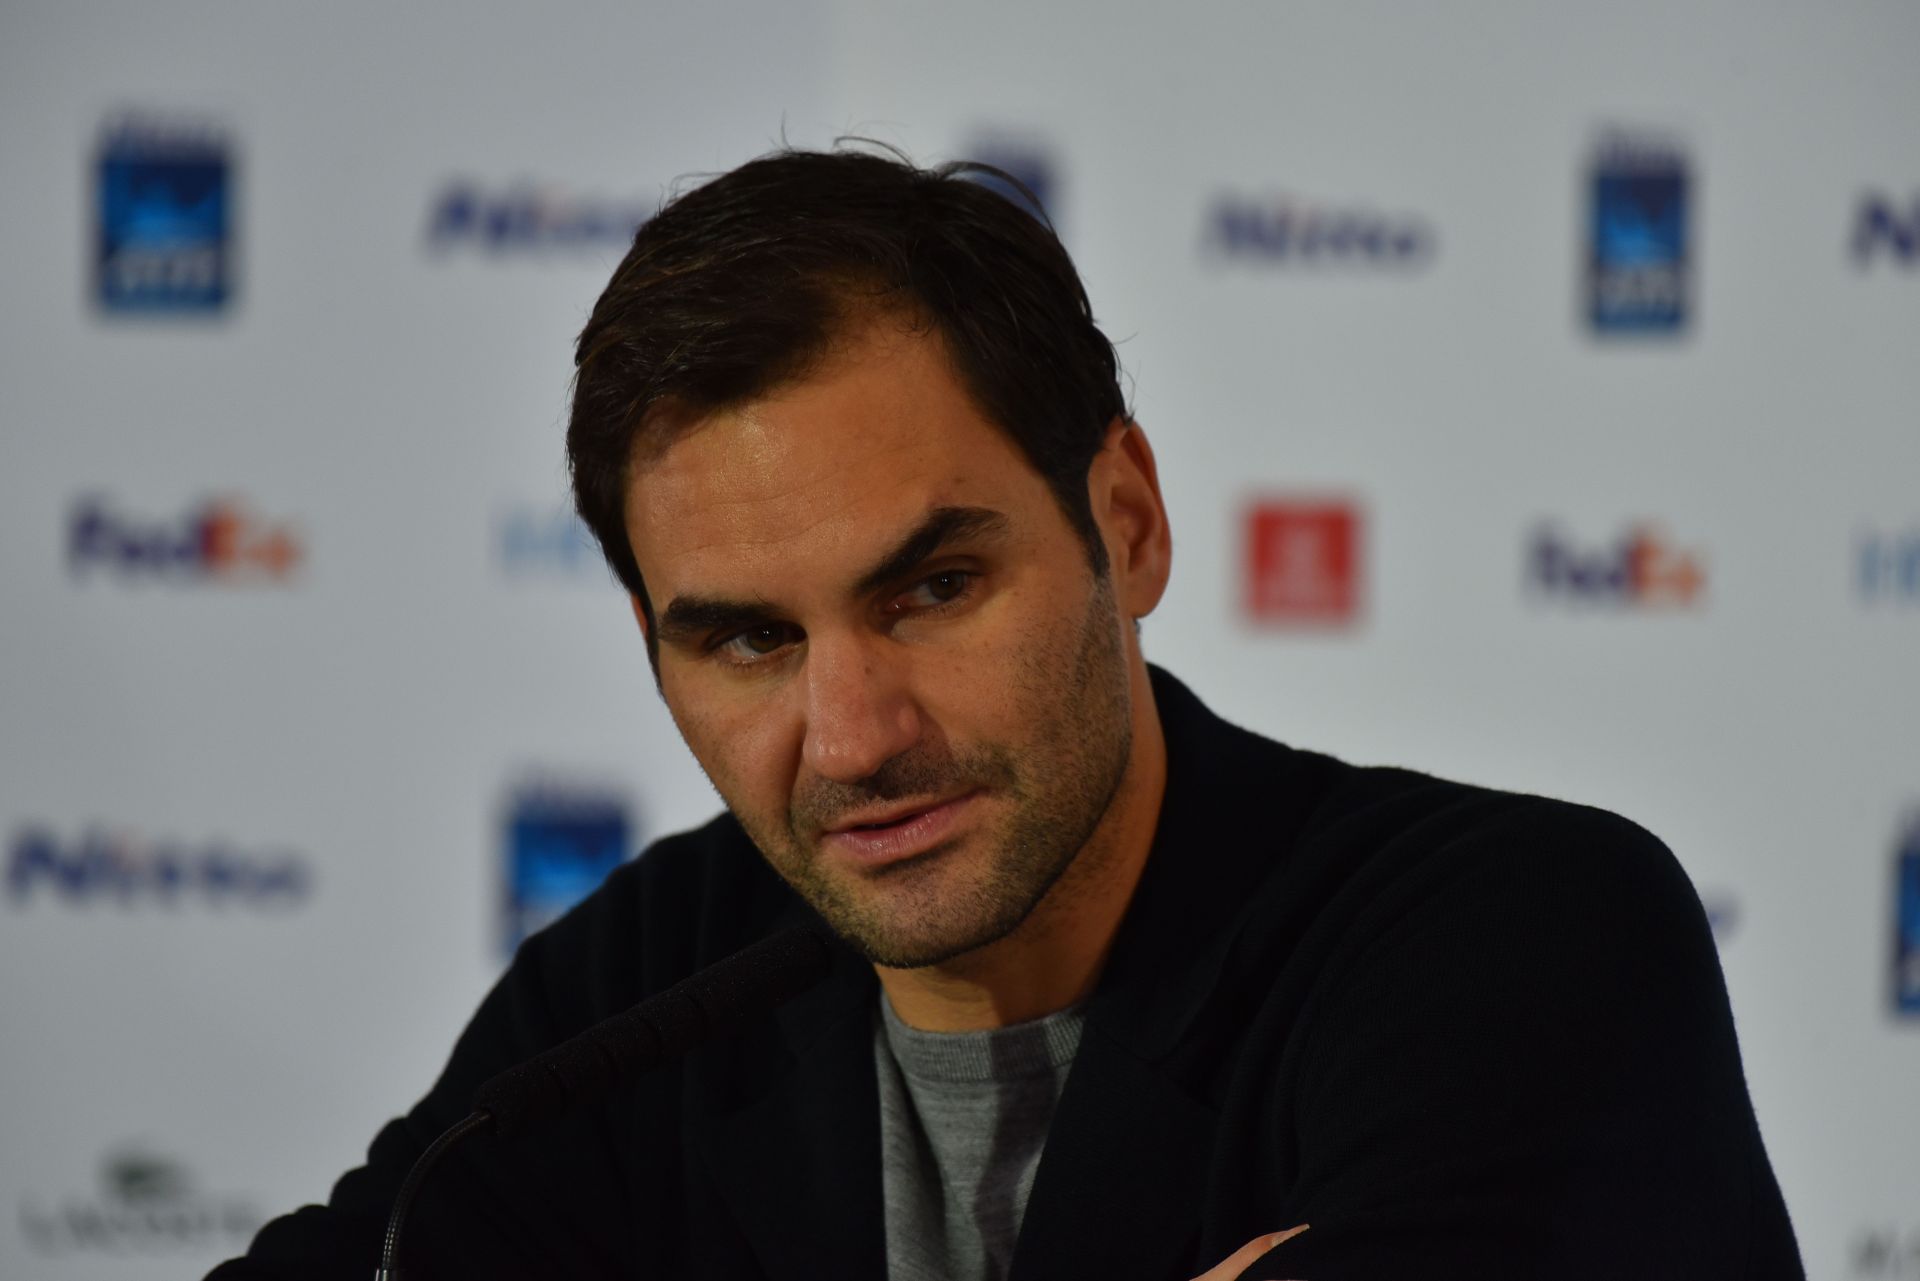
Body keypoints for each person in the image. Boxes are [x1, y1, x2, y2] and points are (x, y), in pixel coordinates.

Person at [211, 146, 1804, 1281]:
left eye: (930, 589)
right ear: (649, 641)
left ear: (1126, 519)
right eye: (750, 639)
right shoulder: (641, 995)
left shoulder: (1518, 937)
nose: (849, 736)